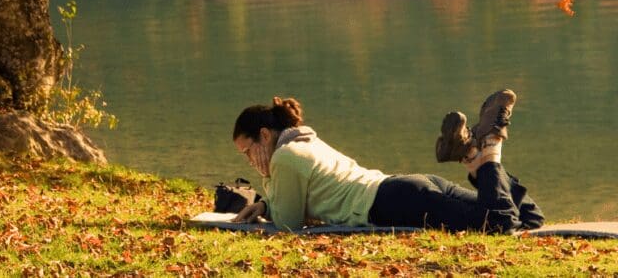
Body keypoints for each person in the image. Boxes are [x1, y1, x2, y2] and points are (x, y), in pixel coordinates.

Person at [231, 90, 544, 233]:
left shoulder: (284, 158)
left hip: (392, 203)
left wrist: (268, 181)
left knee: (500, 223)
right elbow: (304, 195)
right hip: (404, 189)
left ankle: (489, 145)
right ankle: (472, 157)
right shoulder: (305, 142)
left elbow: (288, 226)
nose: (249, 161)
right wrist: (267, 205)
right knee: (528, 220)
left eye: (247, 151)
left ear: (264, 135)